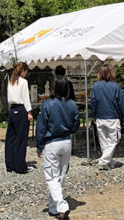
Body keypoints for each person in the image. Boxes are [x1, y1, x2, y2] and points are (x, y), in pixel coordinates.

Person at [36, 76, 80, 220]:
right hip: (66, 141)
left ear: (53, 88)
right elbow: (76, 125)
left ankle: (61, 205)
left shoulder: (48, 104)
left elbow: (41, 126)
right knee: (60, 176)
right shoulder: (72, 104)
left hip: (52, 143)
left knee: (51, 177)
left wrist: (39, 144)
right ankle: (53, 207)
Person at [90, 64, 124, 170]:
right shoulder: (115, 86)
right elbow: (121, 102)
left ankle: (108, 161)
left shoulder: (96, 86)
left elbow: (93, 102)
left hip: (100, 117)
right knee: (113, 140)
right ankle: (104, 160)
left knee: (103, 141)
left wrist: (94, 116)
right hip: (113, 116)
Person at [5, 61, 34, 173]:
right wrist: (29, 112)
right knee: (21, 139)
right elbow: (25, 98)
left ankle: (10, 164)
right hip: (21, 110)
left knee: (11, 139)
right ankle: (20, 166)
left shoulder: (10, 81)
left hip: (12, 110)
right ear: (23, 71)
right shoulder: (23, 82)